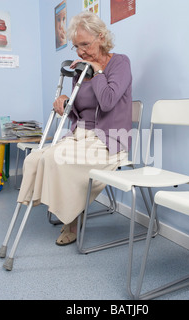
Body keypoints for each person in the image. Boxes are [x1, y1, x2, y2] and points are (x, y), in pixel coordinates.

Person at [17, 11, 133, 246]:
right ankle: (56, 207)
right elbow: (79, 110)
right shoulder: (81, 69)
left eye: (85, 44)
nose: (80, 52)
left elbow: (108, 101)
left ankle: (70, 220)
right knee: (36, 158)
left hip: (109, 141)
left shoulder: (120, 63)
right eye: (76, 46)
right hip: (81, 136)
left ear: (101, 37)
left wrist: (97, 71)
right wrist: (65, 102)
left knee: (58, 158)